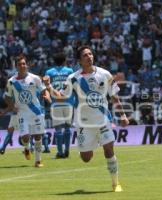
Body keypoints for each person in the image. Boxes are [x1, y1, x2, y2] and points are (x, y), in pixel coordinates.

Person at [43, 45, 129, 192]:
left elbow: (114, 97)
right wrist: (49, 86)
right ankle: (91, 145)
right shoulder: (73, 78)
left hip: (103, 119)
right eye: (85, 55)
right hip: (84, 123)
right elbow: (62, 96)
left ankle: (116, 183)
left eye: (90, 54)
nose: (89, 57)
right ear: (79, 61)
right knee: (86, 158)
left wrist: (123, 115)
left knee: (109, 150)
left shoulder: (105, 74)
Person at [4, 55, 49, 167]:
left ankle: (38, 161)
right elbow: (7, 96)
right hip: (22, 113)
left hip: (36, 112)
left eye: (24, 64)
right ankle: (27, 148)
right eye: (19, 64)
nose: (22, 66)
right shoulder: (11, 81)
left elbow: (44, 90)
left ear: (27, 65)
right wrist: (12, 106)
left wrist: (47, 96)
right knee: (25, 138)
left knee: (38, 136)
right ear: (16, 67)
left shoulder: (35, 78)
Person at [44, 52, 74, 158]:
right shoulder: (70, 71)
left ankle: (60, 152)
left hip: (56, 103)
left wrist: (48, 96)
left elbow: (46, 86)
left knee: (58, 129)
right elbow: (73, 85)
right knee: (67, 128)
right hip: (68, 102)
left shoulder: (49, 72)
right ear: (64, 60)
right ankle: (67, 150)